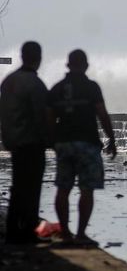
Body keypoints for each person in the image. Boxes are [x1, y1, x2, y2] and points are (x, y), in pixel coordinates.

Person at [47, 49, 116, 245]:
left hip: (64, 145)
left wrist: (53, 142)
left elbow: (49, 119)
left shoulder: (57, 88)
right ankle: (81, 234)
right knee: (87, 190)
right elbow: (102, 114)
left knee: (63, 188)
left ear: (68, 65)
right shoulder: (91, 87)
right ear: (86, 65)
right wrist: (112, 139)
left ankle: (66, 234)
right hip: (87, 143)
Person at [0, 41, 48, 244]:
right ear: (38, 58)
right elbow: (41, 116)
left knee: (18, 185)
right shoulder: (34, 84)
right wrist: (49, 139)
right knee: (32, 188)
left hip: (13, 140)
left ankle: (12, 228)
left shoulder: (8, 81)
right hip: (31, 143)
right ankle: (28, 229)